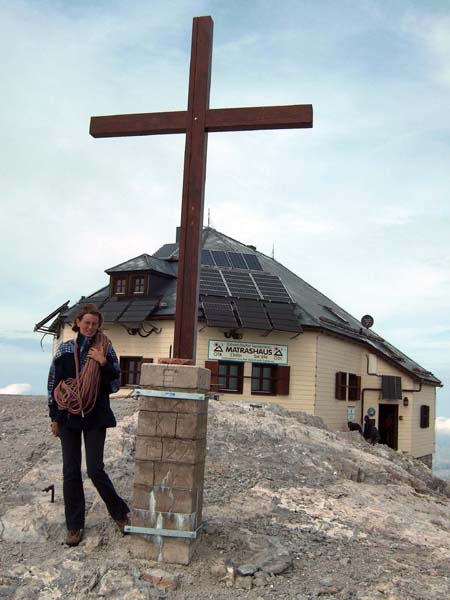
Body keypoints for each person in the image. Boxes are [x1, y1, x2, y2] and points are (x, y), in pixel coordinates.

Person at [48, 304, 129, 546]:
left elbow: (115, 383)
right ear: (78, 323)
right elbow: (54, 382)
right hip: (68, 417)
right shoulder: (64, 349)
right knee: (70, 471)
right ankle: (74, 526)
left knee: (95, 469)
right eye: (87, 323)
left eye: (94, 324)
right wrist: (54, 416)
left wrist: (103, 363)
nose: (91, 327)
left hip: (95, 415)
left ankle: (120, 513)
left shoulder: (105, 348)